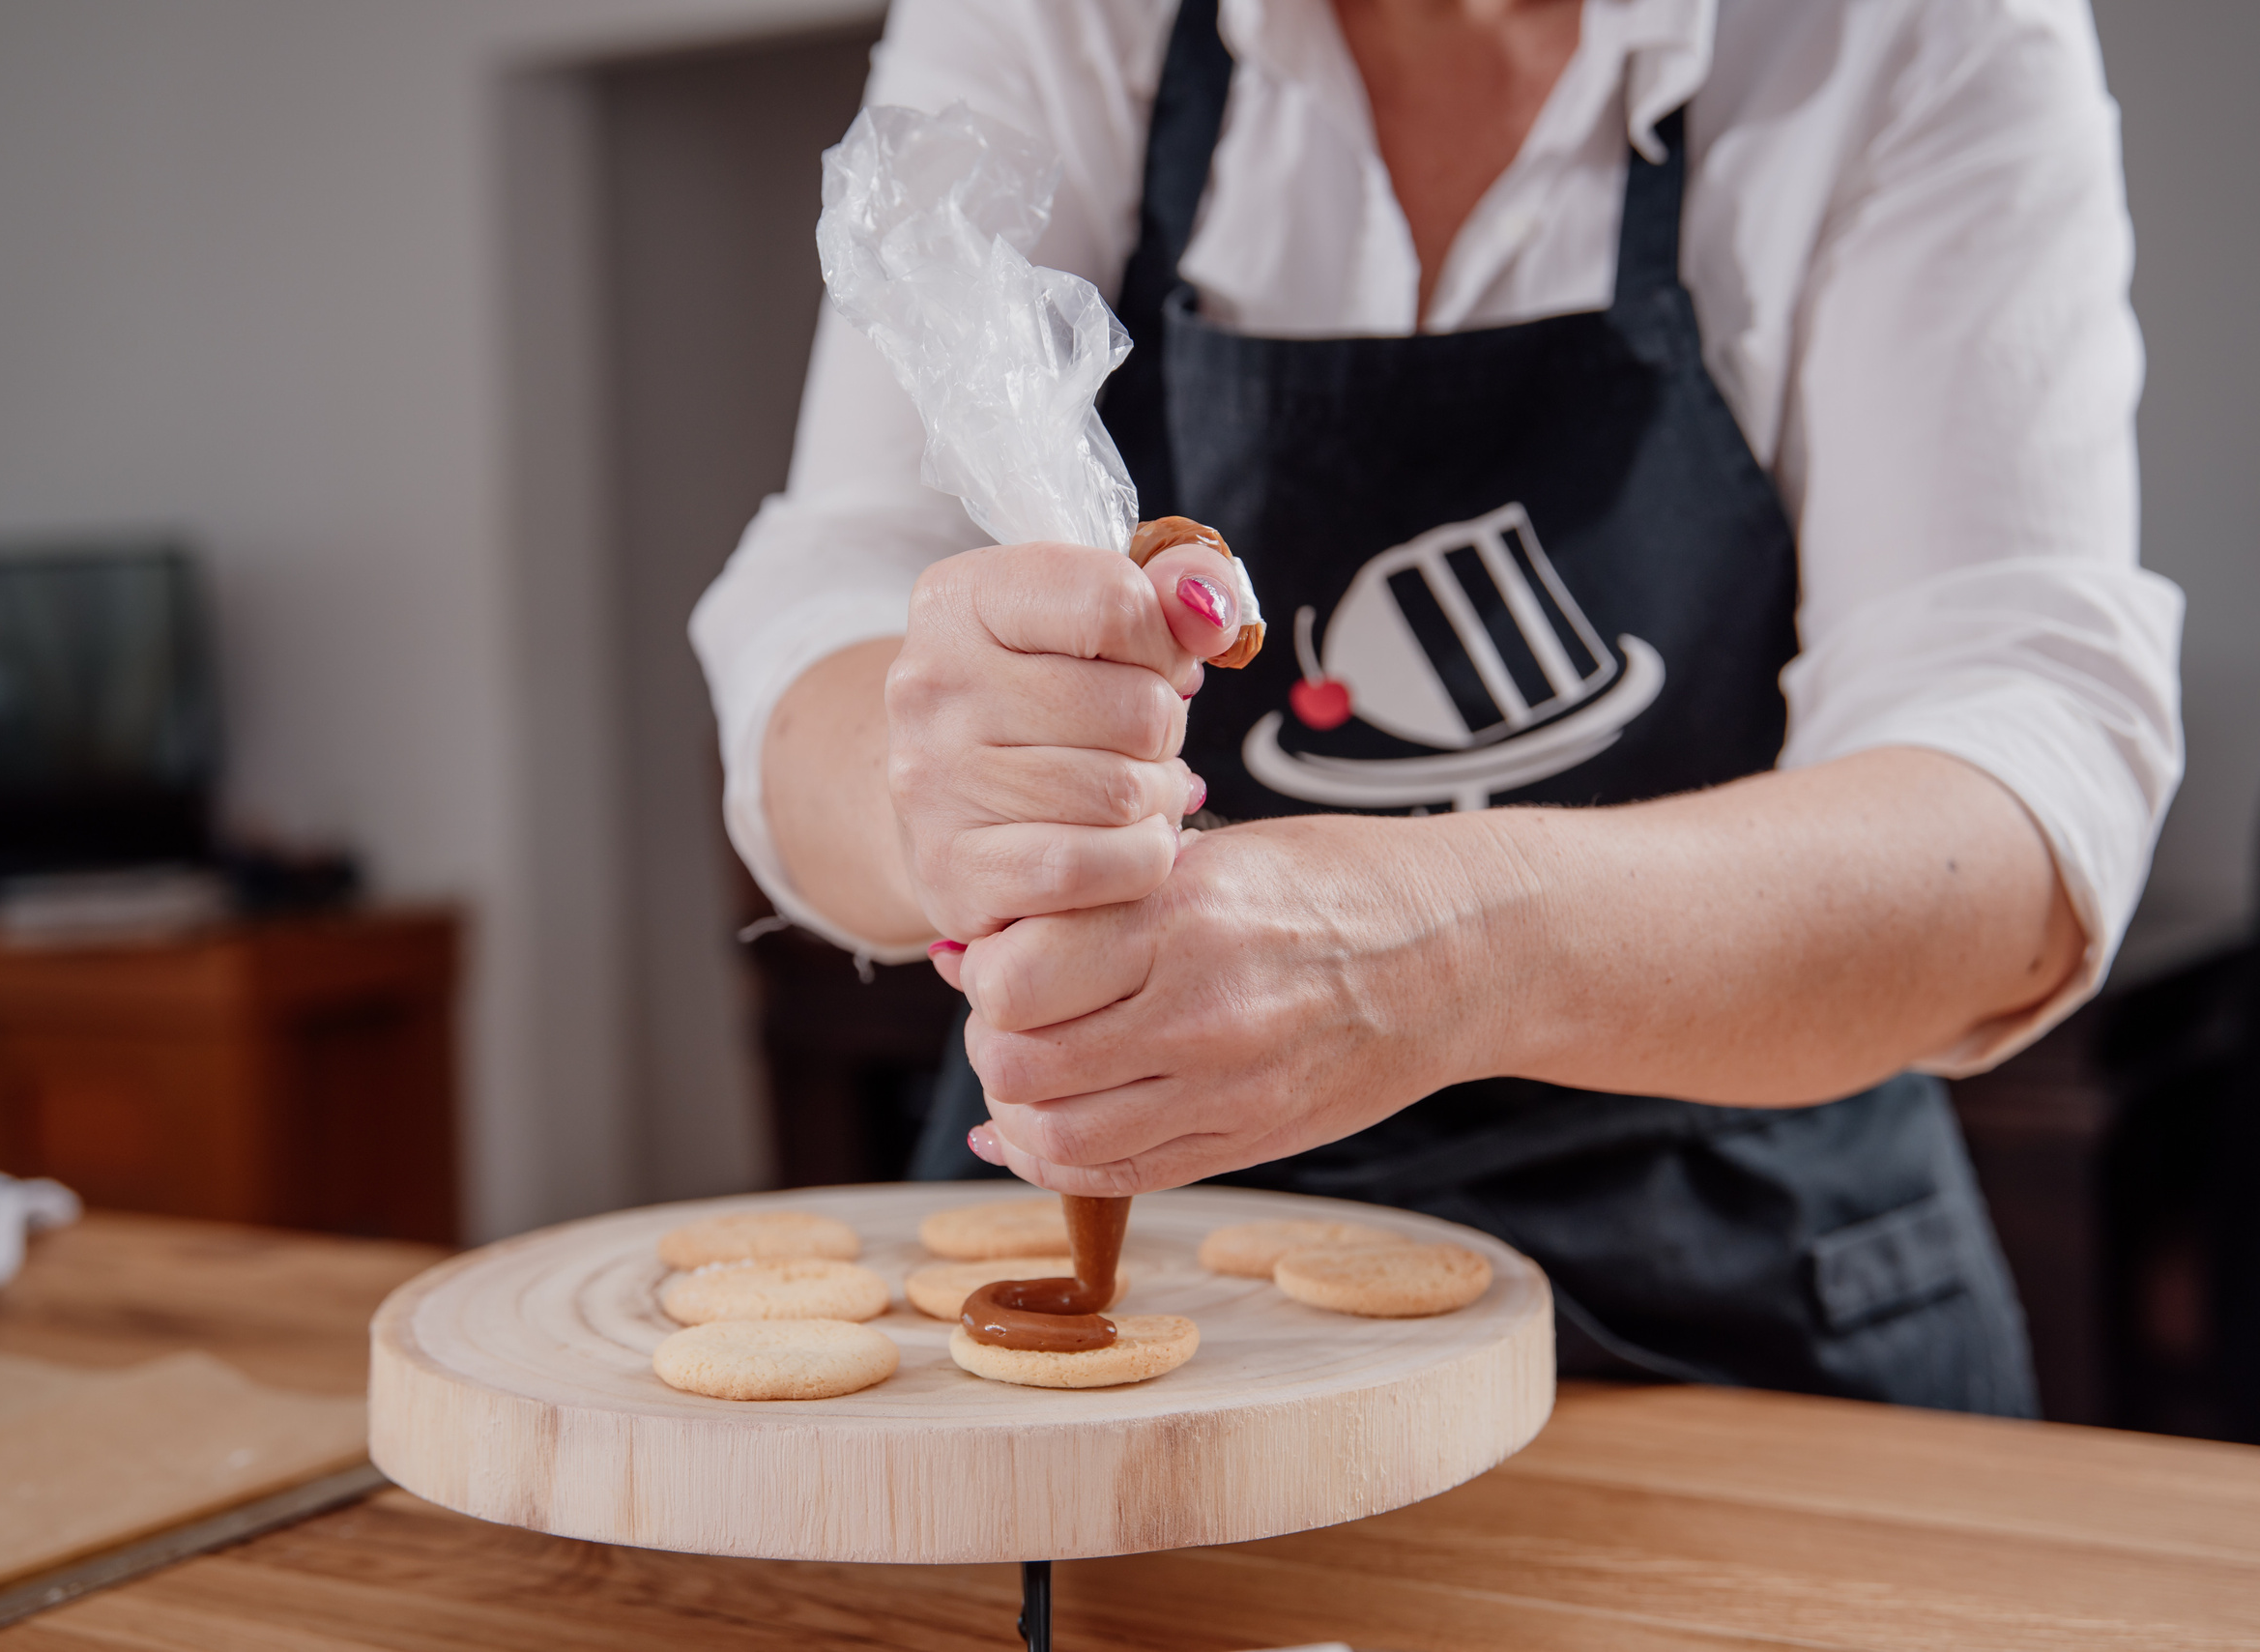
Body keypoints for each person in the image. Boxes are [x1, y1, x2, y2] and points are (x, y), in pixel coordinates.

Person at [691, 0, 2182, 1414]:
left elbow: (2009, 823)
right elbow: (836, 599)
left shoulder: (1908, 34)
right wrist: (941, 790)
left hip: (1742, 1294)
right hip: (1139, 1301)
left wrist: (1437, 952)